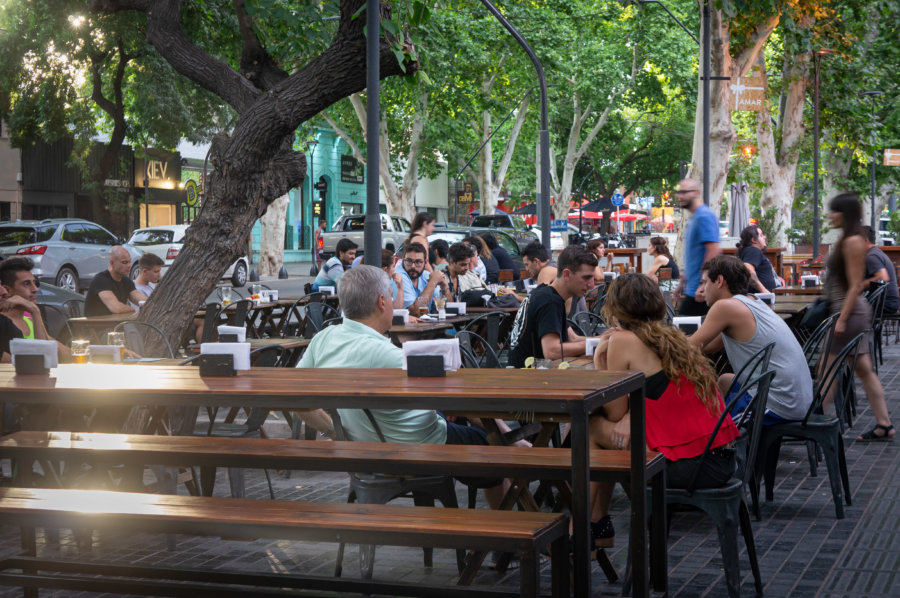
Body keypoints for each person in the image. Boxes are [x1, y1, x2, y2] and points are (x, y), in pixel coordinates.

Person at [295, 265, 507, 508]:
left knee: (455, 419)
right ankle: (507, 536)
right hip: (415, 448)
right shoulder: (385, 354)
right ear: (382, 301)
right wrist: (504, 434)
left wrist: (336, 433)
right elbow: (460, 397)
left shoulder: (324, 338)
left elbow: (298, 401)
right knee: (495, 448)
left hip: (362, 450)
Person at [588, 273, 738, 548]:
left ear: (615, 308)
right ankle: (595, 526)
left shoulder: (623, 340)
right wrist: (631, 414)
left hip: (691, 467)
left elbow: (613, 412)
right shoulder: (673, 338)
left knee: (593, 428)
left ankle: (586, 527)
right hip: (722, 460)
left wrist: (600, 360)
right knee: (606, 442)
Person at [690, 255, 813, 423]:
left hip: (780, 404)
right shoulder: (752, 300)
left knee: (713, 425)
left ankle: (723, 440)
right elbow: (710, 347)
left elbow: (689, 347)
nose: (702, 289)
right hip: (799, 397)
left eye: (704, 282)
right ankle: (728, 440)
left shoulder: (725, 307)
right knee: (725, 380)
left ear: (719, 281)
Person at [824, 194, 893, 441]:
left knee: (826, 369)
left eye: (835, 211)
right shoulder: (848, 239)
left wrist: (841, 319)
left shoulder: (853, 241)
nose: (830, 216)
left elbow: (855, 285)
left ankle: (813, 422)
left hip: (849, 312)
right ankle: (884, 424)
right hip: (849, 311)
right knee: (864, 370)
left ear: (847, 214)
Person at [507, 245, 595, 368]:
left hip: (521, 372)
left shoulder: (546, 294)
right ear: (567, 274)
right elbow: (552, 351)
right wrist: (595, 345)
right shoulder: (550, 301)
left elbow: (573, 338)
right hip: (528, 379)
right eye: (586, 278)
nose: (592, 284)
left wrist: (603, 340)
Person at [0, 257, 70, 360]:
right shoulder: (4, 324)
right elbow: (43, 360)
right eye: (27, 284)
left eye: (35, 283)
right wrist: (35, 311)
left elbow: (67, 355)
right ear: (7, 290)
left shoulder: (29, 318)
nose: (35, 289)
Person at [674, 179, 720, 315]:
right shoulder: (695, 217)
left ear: (696, 193)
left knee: (685, 332)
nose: (680, 196)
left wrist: (703, 284)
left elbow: (713, 250)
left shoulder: (704, 215)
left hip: (699, 291)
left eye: (684, 192)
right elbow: (692, 256)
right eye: (679, 192)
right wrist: (682, 283)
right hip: (692, 288)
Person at [84, 246, 148, 317]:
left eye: (129, 262)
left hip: (116, 324)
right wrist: (133, 309)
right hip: (95, 326)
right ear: (112, 262)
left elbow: (142, 300)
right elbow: (117, 308)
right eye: (124, 262)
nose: (129, 265)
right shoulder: (100, 280)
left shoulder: (126, 281)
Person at [398, 242, 449, 314]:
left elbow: (448, 308)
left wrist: (444, 286)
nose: (413, 266)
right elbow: (415, 313)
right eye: (409, 261)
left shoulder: (426, 275)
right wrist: (433, 282)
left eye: (418, 262)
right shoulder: (398, 276)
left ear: (425, 262)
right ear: (403, 260)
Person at [861, 225, 899, 315]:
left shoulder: (871, 256)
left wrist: (861, 284)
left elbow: (882, 277)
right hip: (889, 302)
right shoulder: (876, 253)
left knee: (848, 308)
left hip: (886, 304)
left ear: (865, 240)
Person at [737, 224, 778, 293]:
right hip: (760, 299)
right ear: (754, 240)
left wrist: (775, 278)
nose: (764, 237)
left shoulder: (750, 251)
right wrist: (764, 291)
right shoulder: (753, 250)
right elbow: (748, 270)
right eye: (761, 235)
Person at [0, 269, 27, 363]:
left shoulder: (3, 323)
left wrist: (35, 312)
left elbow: (29, 359)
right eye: (26, 283)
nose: (4, 292)